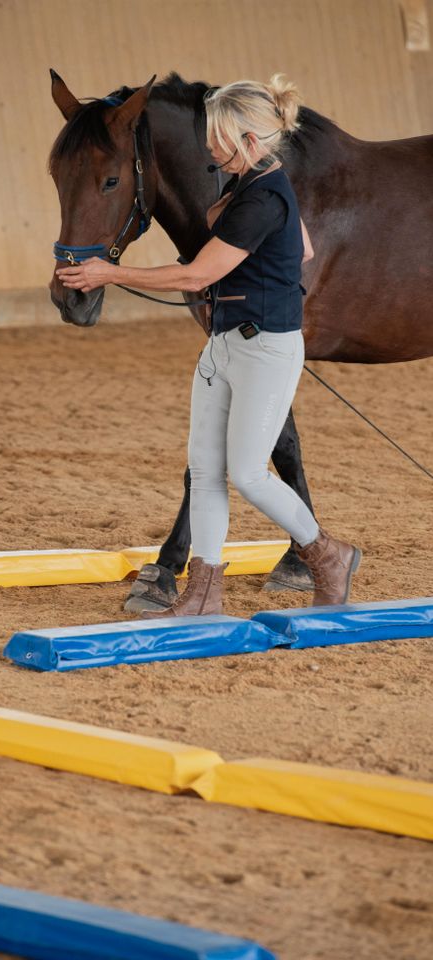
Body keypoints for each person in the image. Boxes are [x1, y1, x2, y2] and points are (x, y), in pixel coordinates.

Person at [56, 74, 361, 615]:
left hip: (264, 348)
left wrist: (108, 273)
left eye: (217, 137)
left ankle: (326, 553)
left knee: (247, 473)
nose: (208, 147)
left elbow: (196, 277)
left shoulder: (263, 197)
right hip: (225, 345)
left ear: (246, 139)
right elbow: (306, 248)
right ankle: (202, 594)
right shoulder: (246, 188)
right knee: (204, 470)